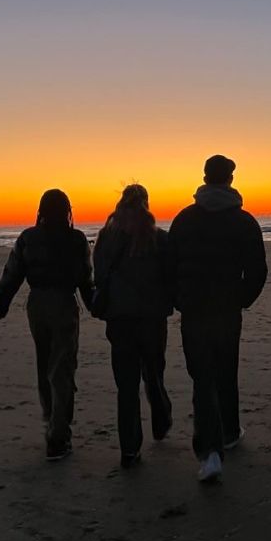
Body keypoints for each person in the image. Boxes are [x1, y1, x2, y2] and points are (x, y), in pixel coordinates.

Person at [167, 155, 267, 482]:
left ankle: (212, 446)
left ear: (205, 177)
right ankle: (225, 435)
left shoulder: (184, 219)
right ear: (230, 179)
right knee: (225, 371)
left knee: (203, 377)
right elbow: (257, 272)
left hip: (197, 310)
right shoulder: (243, 221)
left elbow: (168, 268)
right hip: (224, 310)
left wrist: (179, 299)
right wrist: (240, 299)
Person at [0, 189, 93, 460]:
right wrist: (96, 306)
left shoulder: (28, 238)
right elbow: (86, 277)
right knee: (63, 368)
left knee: (45, 363)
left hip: (37, 305)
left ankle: (51, 419)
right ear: (67, 211)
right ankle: (59, 435)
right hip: (63, 303)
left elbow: (12, 273)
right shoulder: (76, 239)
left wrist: (0, 303)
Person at [93, 185, 173, 468]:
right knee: (154, 373)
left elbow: (99, 275)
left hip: (120, 319)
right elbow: (170, 277)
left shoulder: (106, 238)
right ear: (146, 204)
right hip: (151, 319)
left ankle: (129, 448)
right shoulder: (158, 238)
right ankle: (161, 418)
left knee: (125, 386)